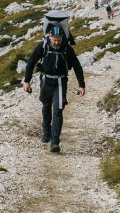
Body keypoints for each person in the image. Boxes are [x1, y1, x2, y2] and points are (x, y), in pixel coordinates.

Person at [23, 24, 86, 153]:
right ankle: (46, 132)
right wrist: (27, 81)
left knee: (58, 109)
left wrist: (82, 85)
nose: (56, 42)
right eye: (54, 39)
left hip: (60, 82)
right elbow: (31, 62)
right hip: (46, 81)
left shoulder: (67, 49)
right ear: (49, 36)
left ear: (62, 37)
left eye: (59, 39)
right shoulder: (43, 46)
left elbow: (77, 66)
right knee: (46, 107)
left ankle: (55, 141)